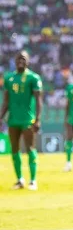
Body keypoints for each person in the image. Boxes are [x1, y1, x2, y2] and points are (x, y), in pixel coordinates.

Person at [0, 51, 43, 190]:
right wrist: (1, 117)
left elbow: (38, 100)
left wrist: (37, 119)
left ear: (28, 61)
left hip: (28, 120)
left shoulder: (33, 78)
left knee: (30, 148)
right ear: (14, 60)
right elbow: (6, 102)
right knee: (14, 150)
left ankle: (33, 180)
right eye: (18, 58)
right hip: (13, 120)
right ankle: (20, 180)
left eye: (23, 59)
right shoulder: (9, 78)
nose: (20, 61)